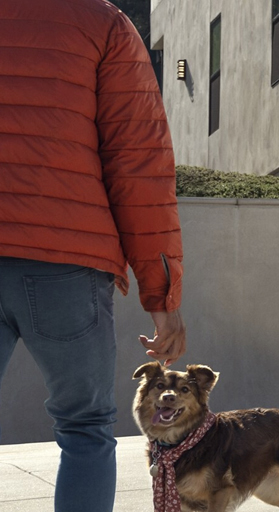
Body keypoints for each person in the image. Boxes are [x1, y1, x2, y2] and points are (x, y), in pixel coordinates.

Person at [0, 0, 189, 509]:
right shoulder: (102, 23)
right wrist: (162, 298)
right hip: (66, 258)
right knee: (85, 428)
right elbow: (138, 164)